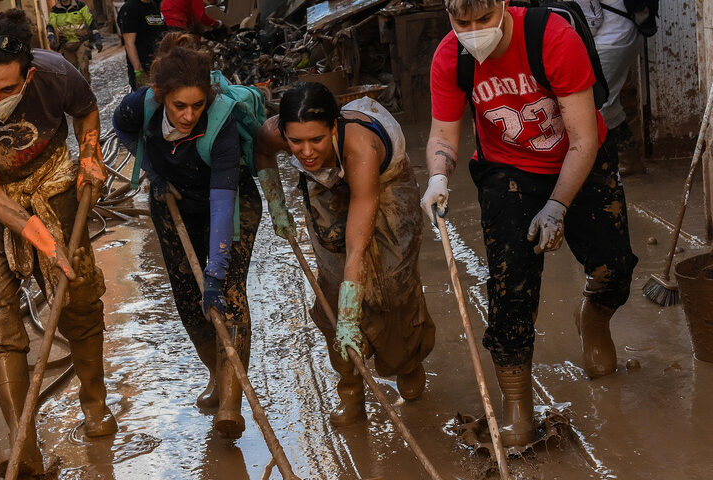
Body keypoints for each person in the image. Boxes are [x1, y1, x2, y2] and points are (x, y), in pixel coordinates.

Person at [422, 0, 638, 446]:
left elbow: (583, 138)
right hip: (508, 171)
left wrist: (558, 206)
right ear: (448, 16)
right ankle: (517, 405)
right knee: (510, 291)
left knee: (614, 267)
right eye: (462, 22)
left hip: (580, 157)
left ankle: (593, 320)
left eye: (483, 19)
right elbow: (444, 132)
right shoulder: (450, 56)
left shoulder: (552, 36)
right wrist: (438, 176)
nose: (474, 30)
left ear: (504, 5)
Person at [0, 9, 115, 477]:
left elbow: (86, 112)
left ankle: (94, 402)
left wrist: (90, 155)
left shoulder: (58, 74)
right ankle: (23, 438)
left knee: (78, 295)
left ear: (29, 74)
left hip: (53, 181)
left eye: (8, 89)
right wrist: (43, 241)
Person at [253, 82, 436, 426]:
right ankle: (351, 390)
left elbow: (357, 247)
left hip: (384, 182)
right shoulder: (277, 133)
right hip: (326, 181)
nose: (305, 151)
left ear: (334, 127)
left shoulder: (361, 148)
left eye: (316, 140)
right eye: (296, 142)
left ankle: (407, 361)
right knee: (334, 291)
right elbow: (261, 151)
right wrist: (276, 203)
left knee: (392, 284)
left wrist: (354, 316)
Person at [112, 32, 260, 439]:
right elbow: (121, 130)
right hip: (172, 198)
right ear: (160, 96)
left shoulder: (222, 121)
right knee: (188, 298)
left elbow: (222, 203)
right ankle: (216, 372)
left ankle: (231, 404)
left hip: (231, 203)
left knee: (227, 293)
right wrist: (154, 172)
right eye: (179, 106)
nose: (189, 115)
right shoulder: (136, 106)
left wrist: (215, 272)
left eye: (197, 105)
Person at [581, 0, 645, 175]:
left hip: (609, 40)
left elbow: (592, 21)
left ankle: (595, 169)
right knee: (608, 103)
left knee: (591, 107)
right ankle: (630, 158)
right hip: (625, 32)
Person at [49, 0, 102, 85]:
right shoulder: (55, 10)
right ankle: (75, 95)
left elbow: (91, 22)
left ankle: (87, 92)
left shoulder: (80, 6)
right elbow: (50, 26)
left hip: (81, 42)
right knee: (70, 73)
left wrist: (97, 38)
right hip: (65, 45)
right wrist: (51, 38)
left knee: (83, 68)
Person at [117, 0, 167, 90]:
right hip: (143, 68)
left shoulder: (153, 5)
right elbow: (129, 44)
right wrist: (138, 71)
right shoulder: (130, 8)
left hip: (159, 68)